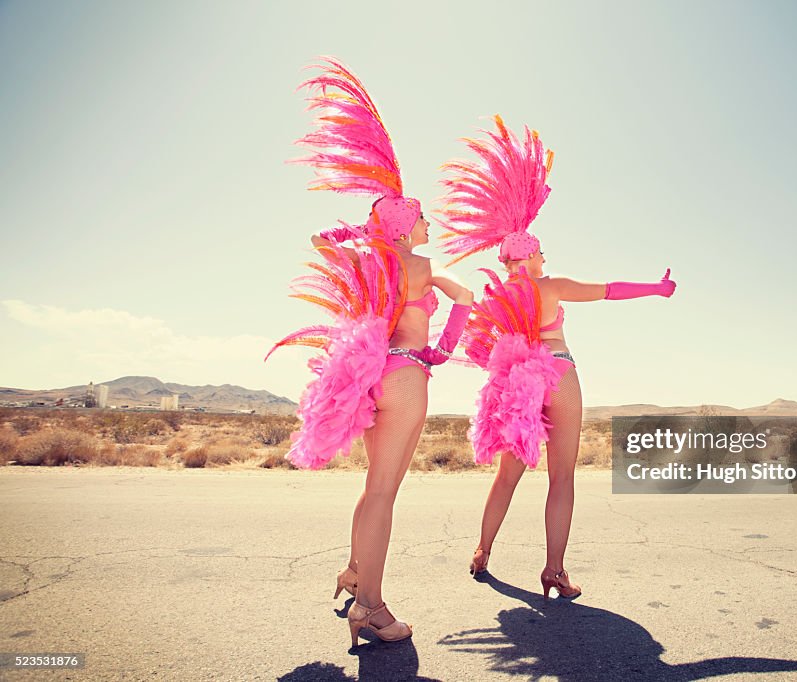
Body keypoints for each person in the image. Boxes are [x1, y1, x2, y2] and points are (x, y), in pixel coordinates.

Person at [267, 58, 472, 646]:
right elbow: (466, 297)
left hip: (369, 374)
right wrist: (441, 351)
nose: (430, 222)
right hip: (406, 375)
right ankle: (372, 608)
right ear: (407, 226)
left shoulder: (372, 260)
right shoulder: (423, 266)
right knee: (385, 491)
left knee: (370, 488)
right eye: (423, 217)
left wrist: (367, 232)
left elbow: (319, 240)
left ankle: (356, 572)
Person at [439, 116, 675, 600]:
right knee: (561, 478)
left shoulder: (496, 295)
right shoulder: (552, 286)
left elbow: (481, 348)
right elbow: (609, 290)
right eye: (541, 253)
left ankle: (482, 552)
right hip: (560, 373)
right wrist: (658, 287)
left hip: (518, 384)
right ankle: (553, 571)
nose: (545, 258)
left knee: (507, 477)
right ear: (534, 257)